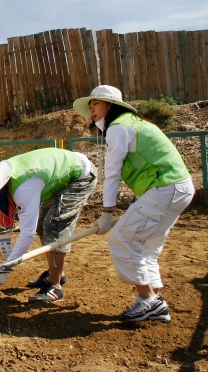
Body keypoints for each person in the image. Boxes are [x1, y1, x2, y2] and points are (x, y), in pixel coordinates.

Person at [73, 85, 195, 322]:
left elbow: (112, 172)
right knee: (146, 244)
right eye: (90, 107)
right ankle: (153, 300)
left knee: (123, 237)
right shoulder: (133, 123)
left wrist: (107, 213)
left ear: (110, 105)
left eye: (95, 105)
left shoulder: (118, 128)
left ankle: (148, 300)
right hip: (178, 187)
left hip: (165, 188)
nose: (92, 111)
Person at [0, 148, 97, 302]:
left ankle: (55, 286)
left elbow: (28, 234)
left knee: (54, 226)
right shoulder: (12, 178)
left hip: (80, 175)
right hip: (58, 176)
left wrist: (5, 268)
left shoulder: (24, 188)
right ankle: (55, 273)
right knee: (43, 225)